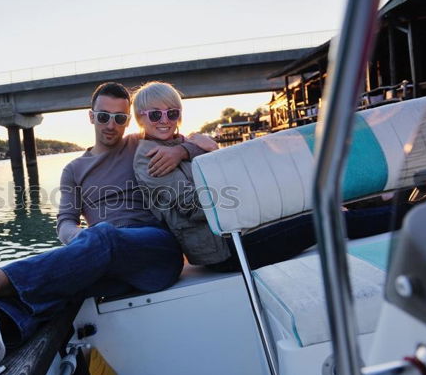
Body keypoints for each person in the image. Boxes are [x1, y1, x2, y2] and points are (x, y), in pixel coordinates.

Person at [0, 82, 207, 369]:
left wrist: (181, 150)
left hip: (156, 253)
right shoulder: (73, 170)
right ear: (91, 117)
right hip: (108, 264)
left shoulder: (141, 144)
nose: (111, 124)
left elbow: (207, 142)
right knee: (68, 284)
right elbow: (64, 223)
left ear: (129, 121)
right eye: (103, 116)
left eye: (119, 118)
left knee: (104, 238)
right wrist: (81, 240)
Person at [131, 81, 396, 272]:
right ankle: (411, 214)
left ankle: (401, 205)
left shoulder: (187, 143)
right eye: (155, 114)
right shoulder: (148, 157)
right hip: (225, 249)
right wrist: (264, 195)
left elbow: (228, 172)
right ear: (140, 118)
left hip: (244, 228)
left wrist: (196, 148)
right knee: (324, 220)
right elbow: (192, 207)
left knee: (332, 200)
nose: (164, 120)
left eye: (172, 112)